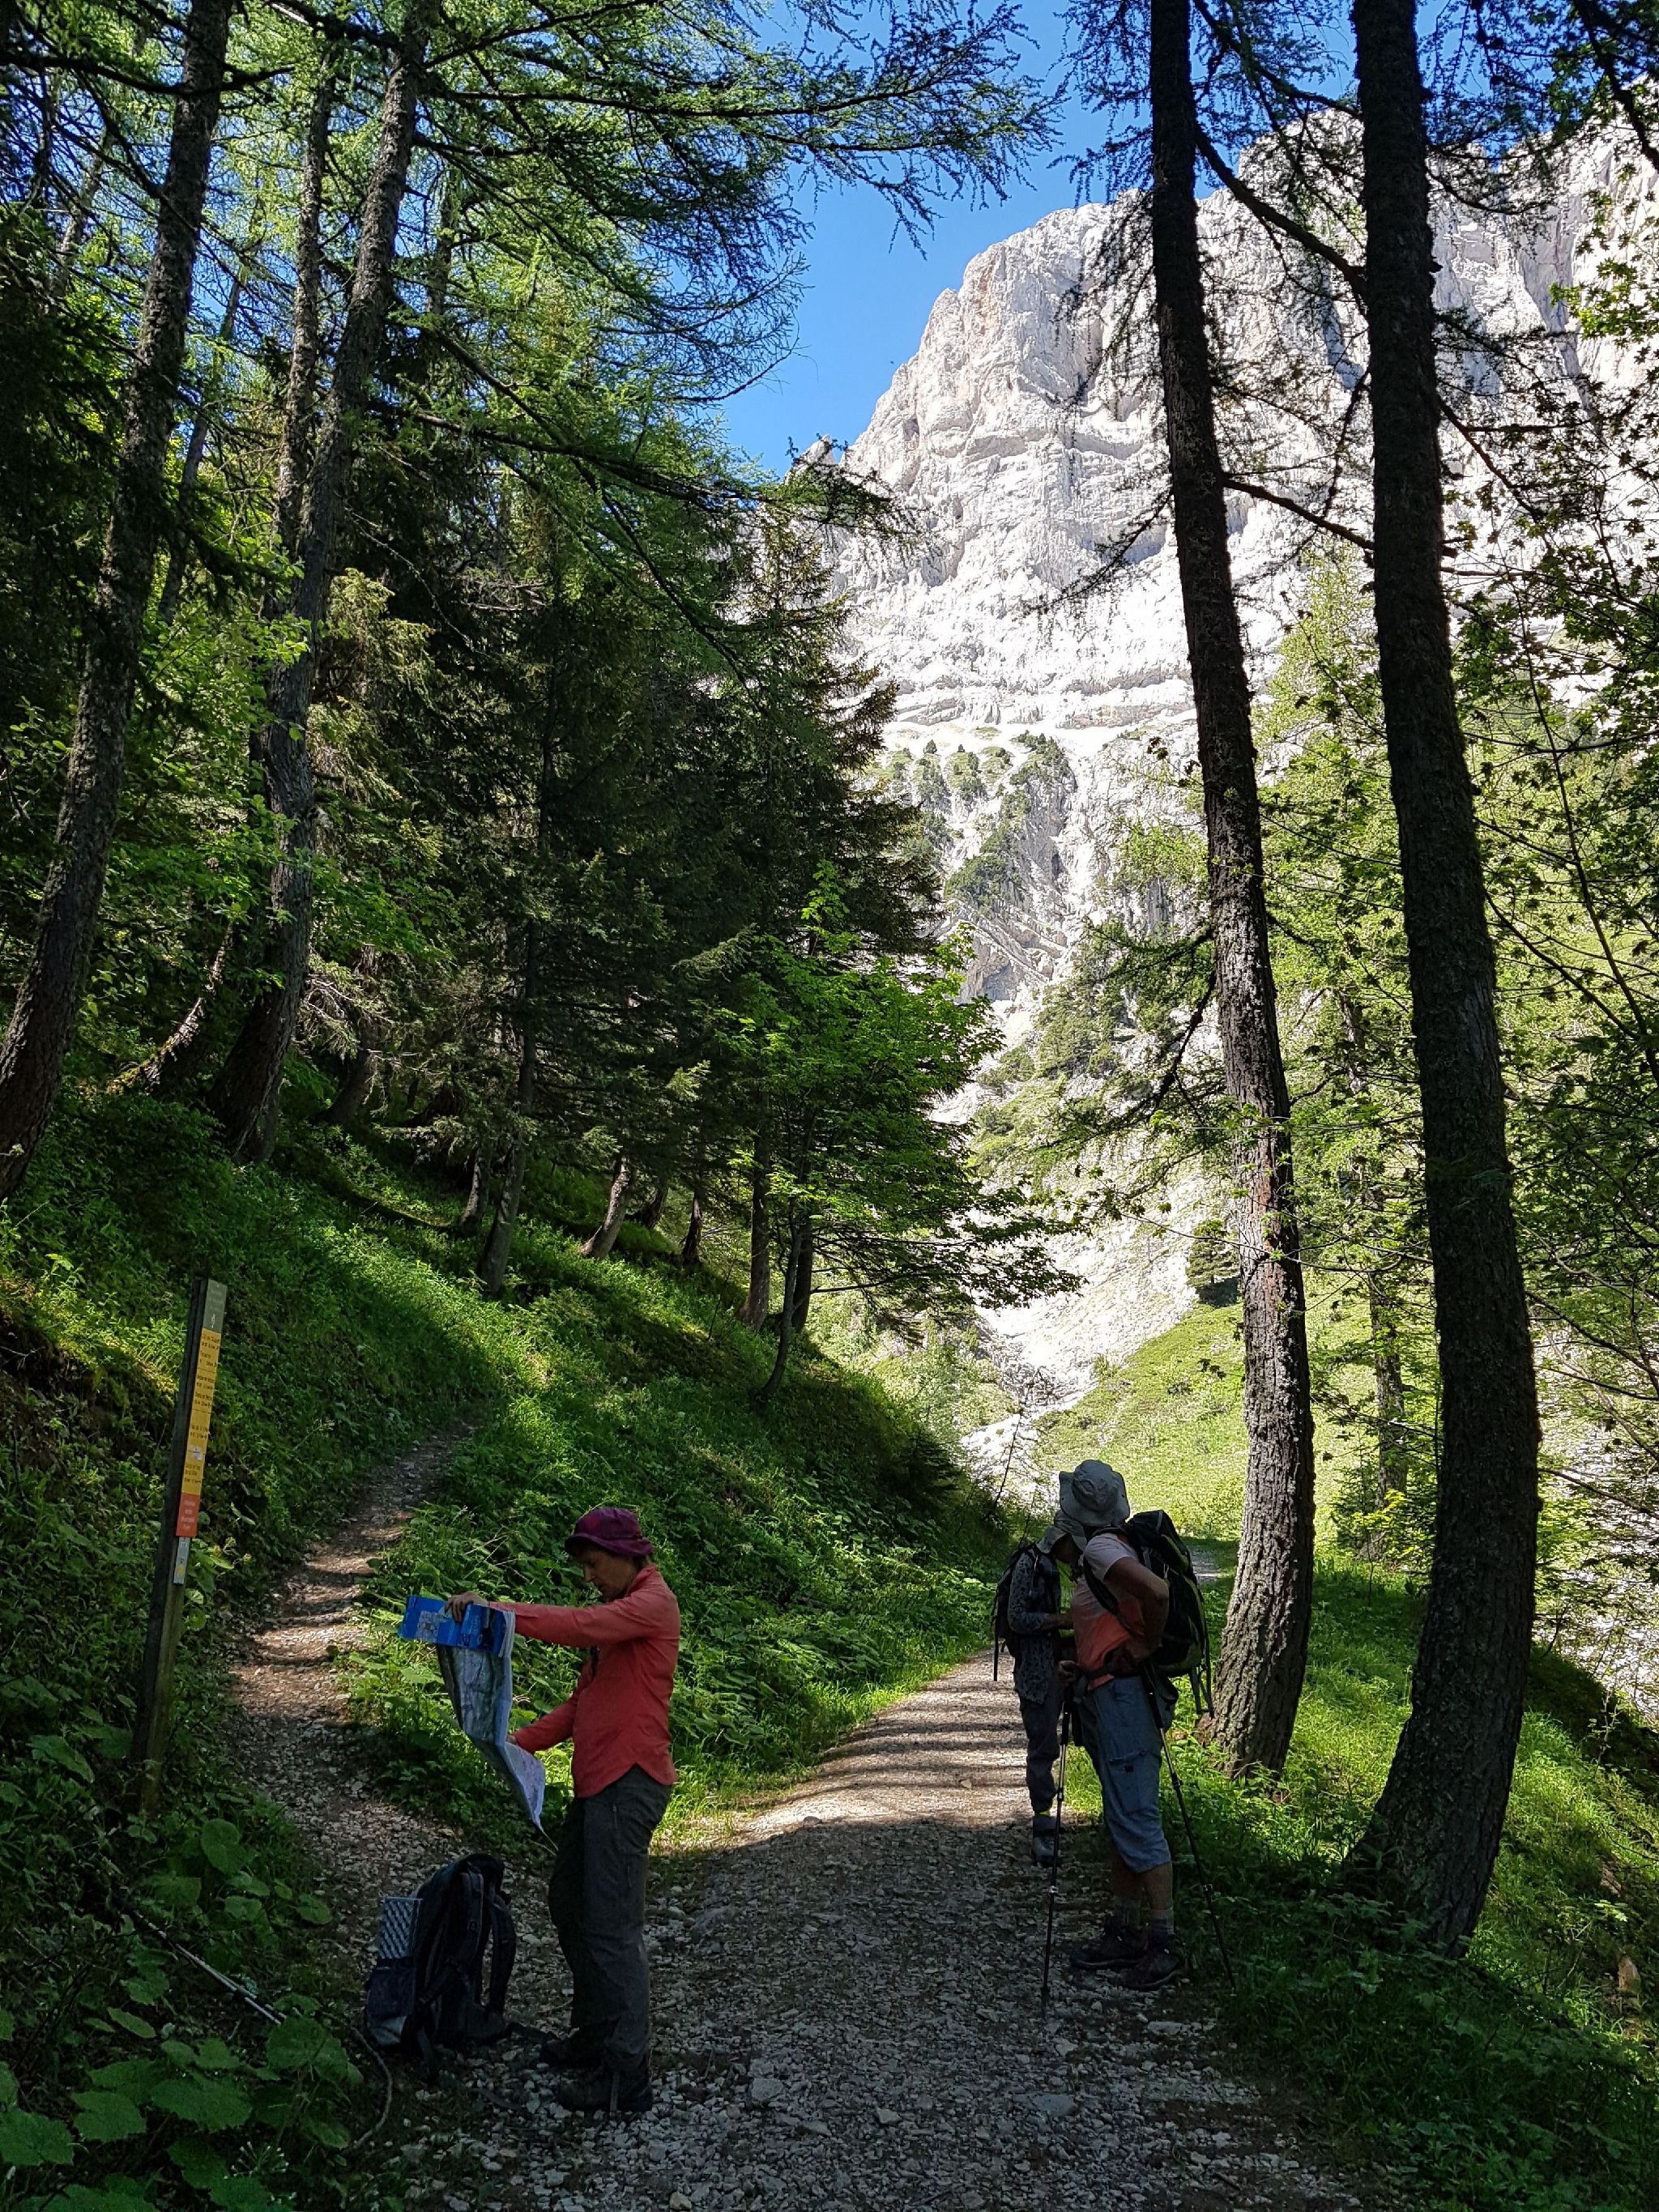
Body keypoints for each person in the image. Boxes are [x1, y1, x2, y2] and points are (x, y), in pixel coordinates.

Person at [448, 1504, 679, 2117]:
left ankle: (626, 2075)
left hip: (629, 1784)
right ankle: (595, 2034)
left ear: (627, 1555)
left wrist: (499, 1614)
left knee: (611, 1928)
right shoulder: (618, 1620)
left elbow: (578, 1625)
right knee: (570, 1905)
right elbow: (582, 1706)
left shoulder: (651, 1604)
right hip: (599, 1785)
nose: (589, 1577)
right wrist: (516, 1744)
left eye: (595, 1564)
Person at [1048, 1460, 1179, 1990]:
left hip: (1124, 1702)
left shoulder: (1101, 1549)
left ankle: (1163, 1942)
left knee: (1138, 1818)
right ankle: (1123, 1929)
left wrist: (1147, 1645)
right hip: (1109, 1693)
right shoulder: (1111, 1547)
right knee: (1124, 1816)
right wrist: (1084, 1663)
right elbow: (1113, 1622)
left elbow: (1157, 1594)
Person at [1002, 1528, 1068, 1864]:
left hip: (1071, 1666)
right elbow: (1016, 1619)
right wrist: (1061, 1620)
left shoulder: (1073, 1566)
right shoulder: (1031, 1565)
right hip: (1037, 1672)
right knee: (1043, 1746)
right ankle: (1042, 1825)